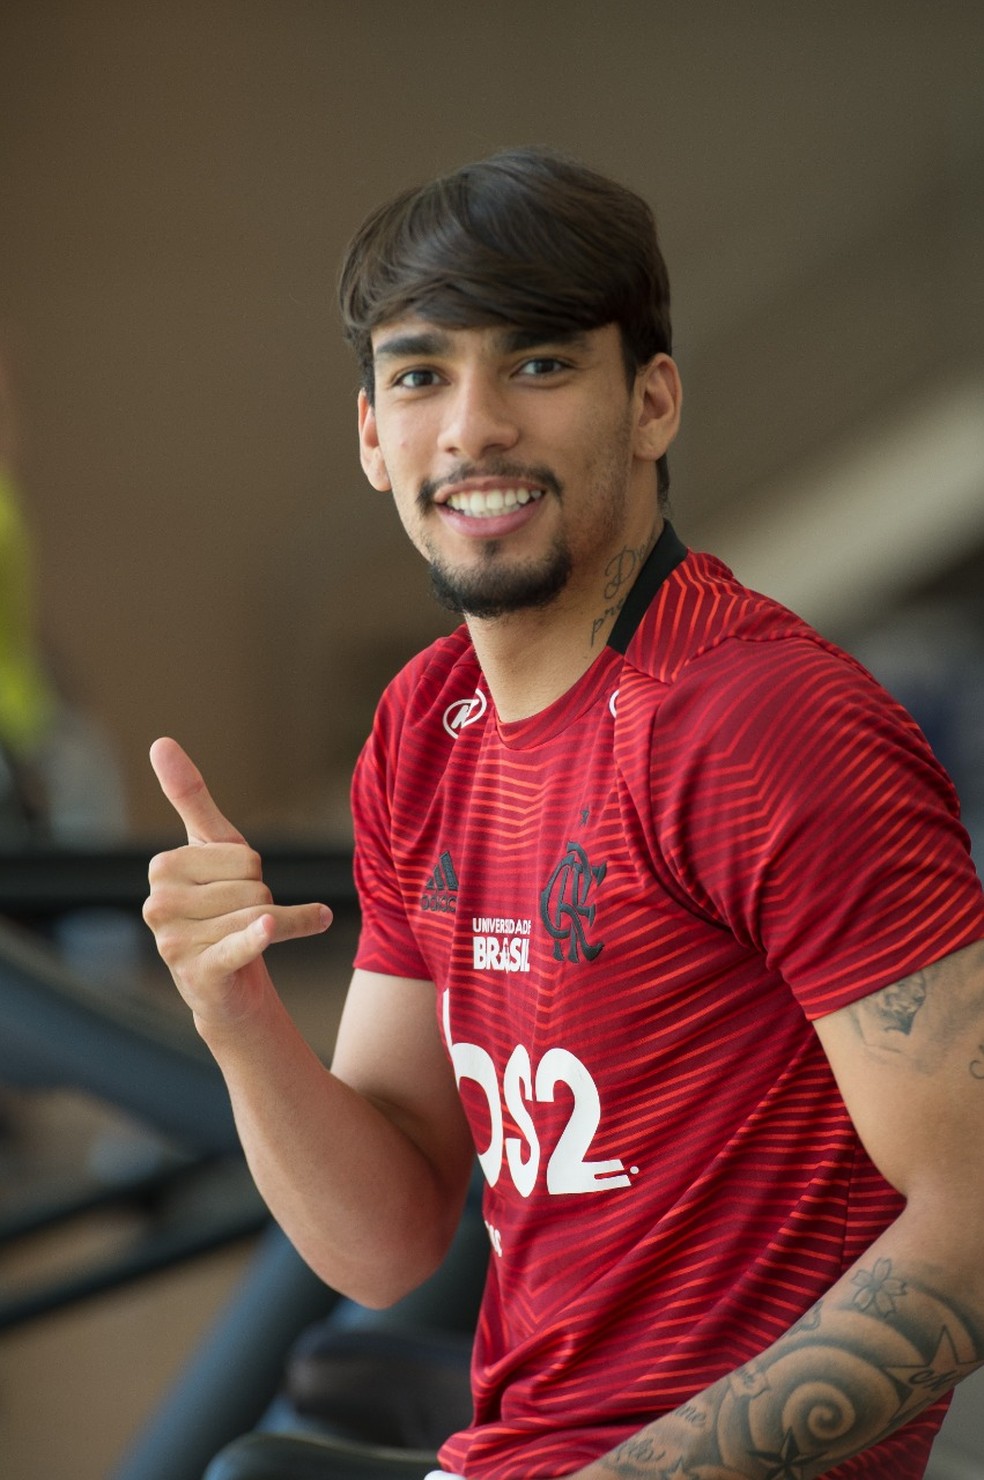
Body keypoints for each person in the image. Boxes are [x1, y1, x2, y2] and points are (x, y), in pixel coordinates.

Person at [144, 148, 984, 1480]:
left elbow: (975, 1222)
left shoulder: (765, 724)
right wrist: (236, 1017)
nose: (473, 427)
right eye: (422, 375)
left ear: (652, 403)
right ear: (373, 436)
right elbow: (391, 1235)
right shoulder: (424, 730)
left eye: (538, 365)